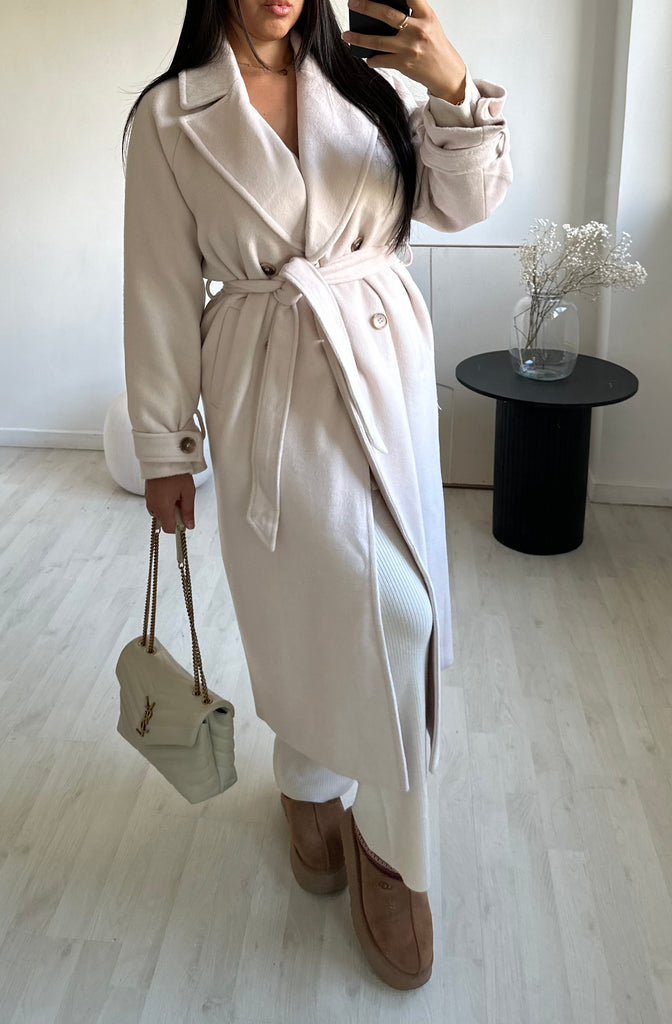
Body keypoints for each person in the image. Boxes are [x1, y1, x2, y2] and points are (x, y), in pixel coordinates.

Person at [122, 0, 512, 991]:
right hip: (269, 382)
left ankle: (375, 836)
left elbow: (464, 205)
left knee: (393, 612)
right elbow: (159, 290)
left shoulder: (366, 86)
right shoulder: (171, 116)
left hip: (382, 368)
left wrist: (452, 87)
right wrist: (167, 450)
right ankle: (320, 787)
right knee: (317, 599)